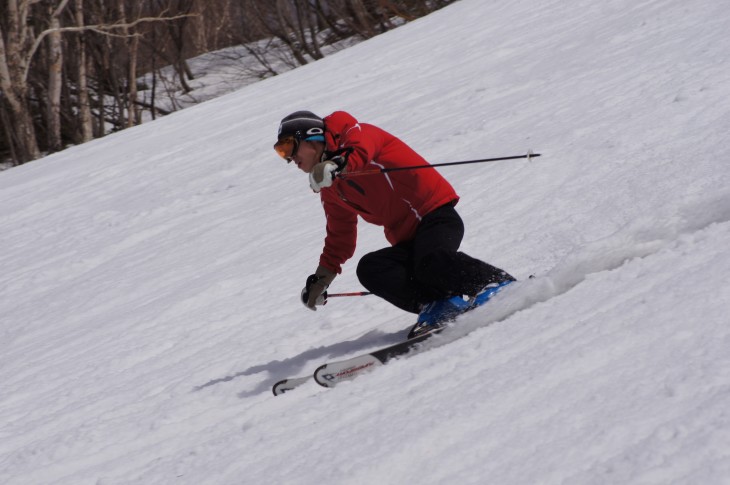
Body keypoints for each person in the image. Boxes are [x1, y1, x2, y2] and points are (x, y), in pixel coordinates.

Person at [274, 110, 515, 338]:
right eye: (281, 153)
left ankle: (498, 285)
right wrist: (322, 278)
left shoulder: (355, 133)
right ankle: (441, 304)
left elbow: (360, 150)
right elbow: (340, 235)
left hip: (435, 215)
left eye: (288, 147)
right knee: (371, 268)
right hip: (407, 239)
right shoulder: (332, 190)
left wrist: (336, 164)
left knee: (430, 261)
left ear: (311, 137)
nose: (289, 158)